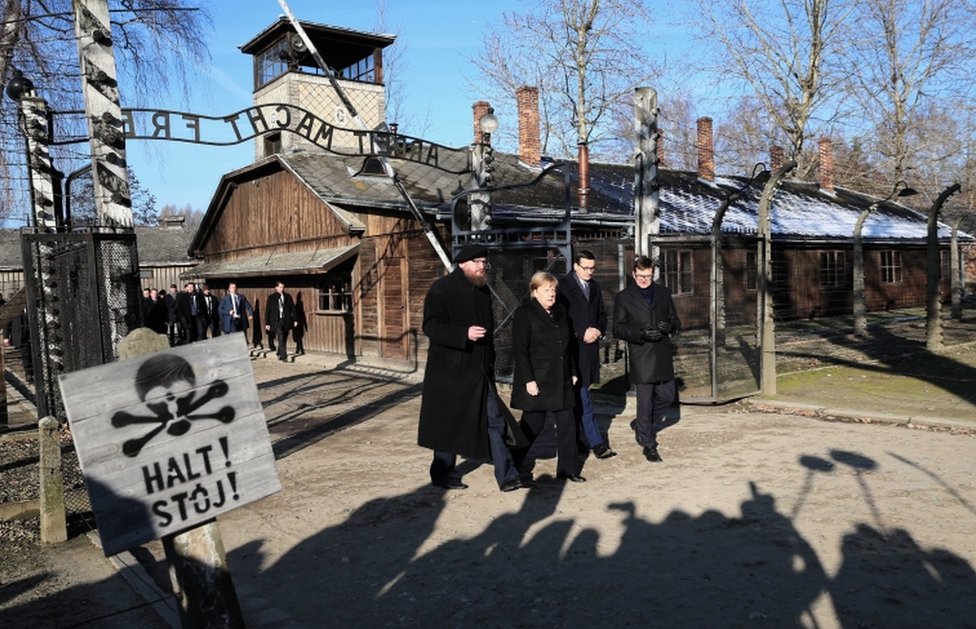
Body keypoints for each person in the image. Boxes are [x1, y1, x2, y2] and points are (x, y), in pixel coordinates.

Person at [418, 244, 525, 492]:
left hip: (479, 372)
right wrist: (463, 334)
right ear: (462, 263)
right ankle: (442, 473)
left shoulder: (482, 290)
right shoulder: (441, 289)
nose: (482, 267)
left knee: (494, 421)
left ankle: (507, 475)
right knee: (449, 423)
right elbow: (431, 326)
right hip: (450, 372)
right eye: (477, 262)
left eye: (484, 262)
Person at [511, 271, 585, 482]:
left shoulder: (560, 311)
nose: (552, 294)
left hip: (561, 378)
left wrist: (572, 371)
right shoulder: (524, 313)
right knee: (532, 426)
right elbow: (520, 350)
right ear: (534, 292)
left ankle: (568, 470)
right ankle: (512, 462)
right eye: (546, 290)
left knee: (567, 424)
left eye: (553, 290)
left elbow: (568, 345)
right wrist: (528, 380)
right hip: (538, 380)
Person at [613, 256, 681, 463]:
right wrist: (640, 333)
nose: (644, 280)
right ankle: (648, 443)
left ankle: (641, 424)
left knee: (668, 396)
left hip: (661, 353)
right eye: (641, 276)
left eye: (648, 276)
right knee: (645, 401)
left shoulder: (663, 293)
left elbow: (675, 319)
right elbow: (618, 328)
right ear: (634, 274)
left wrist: (670, 326)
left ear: (653, 274)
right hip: (641, 354)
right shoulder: (624, 297)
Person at [558, 249, 615, 460]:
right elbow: (560, 319)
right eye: (586, 268)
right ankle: (596, 443)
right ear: (575, 266)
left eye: (593, 268)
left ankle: (577, 440)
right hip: (571, 351)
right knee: (583, 398)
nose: (590, 272)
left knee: (580, 397)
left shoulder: (595, 287)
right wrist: (580, 332)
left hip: (590, 351)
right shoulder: (562, 287)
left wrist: (598, 331)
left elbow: (601, 315)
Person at [265, 281, 296, 361]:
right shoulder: (271, 298)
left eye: (283, 287)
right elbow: (267, 311)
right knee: (281, 337)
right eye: (280, 287)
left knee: (284, 337)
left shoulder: (288, 297)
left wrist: (295, 319)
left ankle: (279, 351)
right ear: (276, 288)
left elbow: (293, 308)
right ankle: (284, 356)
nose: (282, 289)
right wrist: (267, 323)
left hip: (286, 320)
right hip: (276, 321)